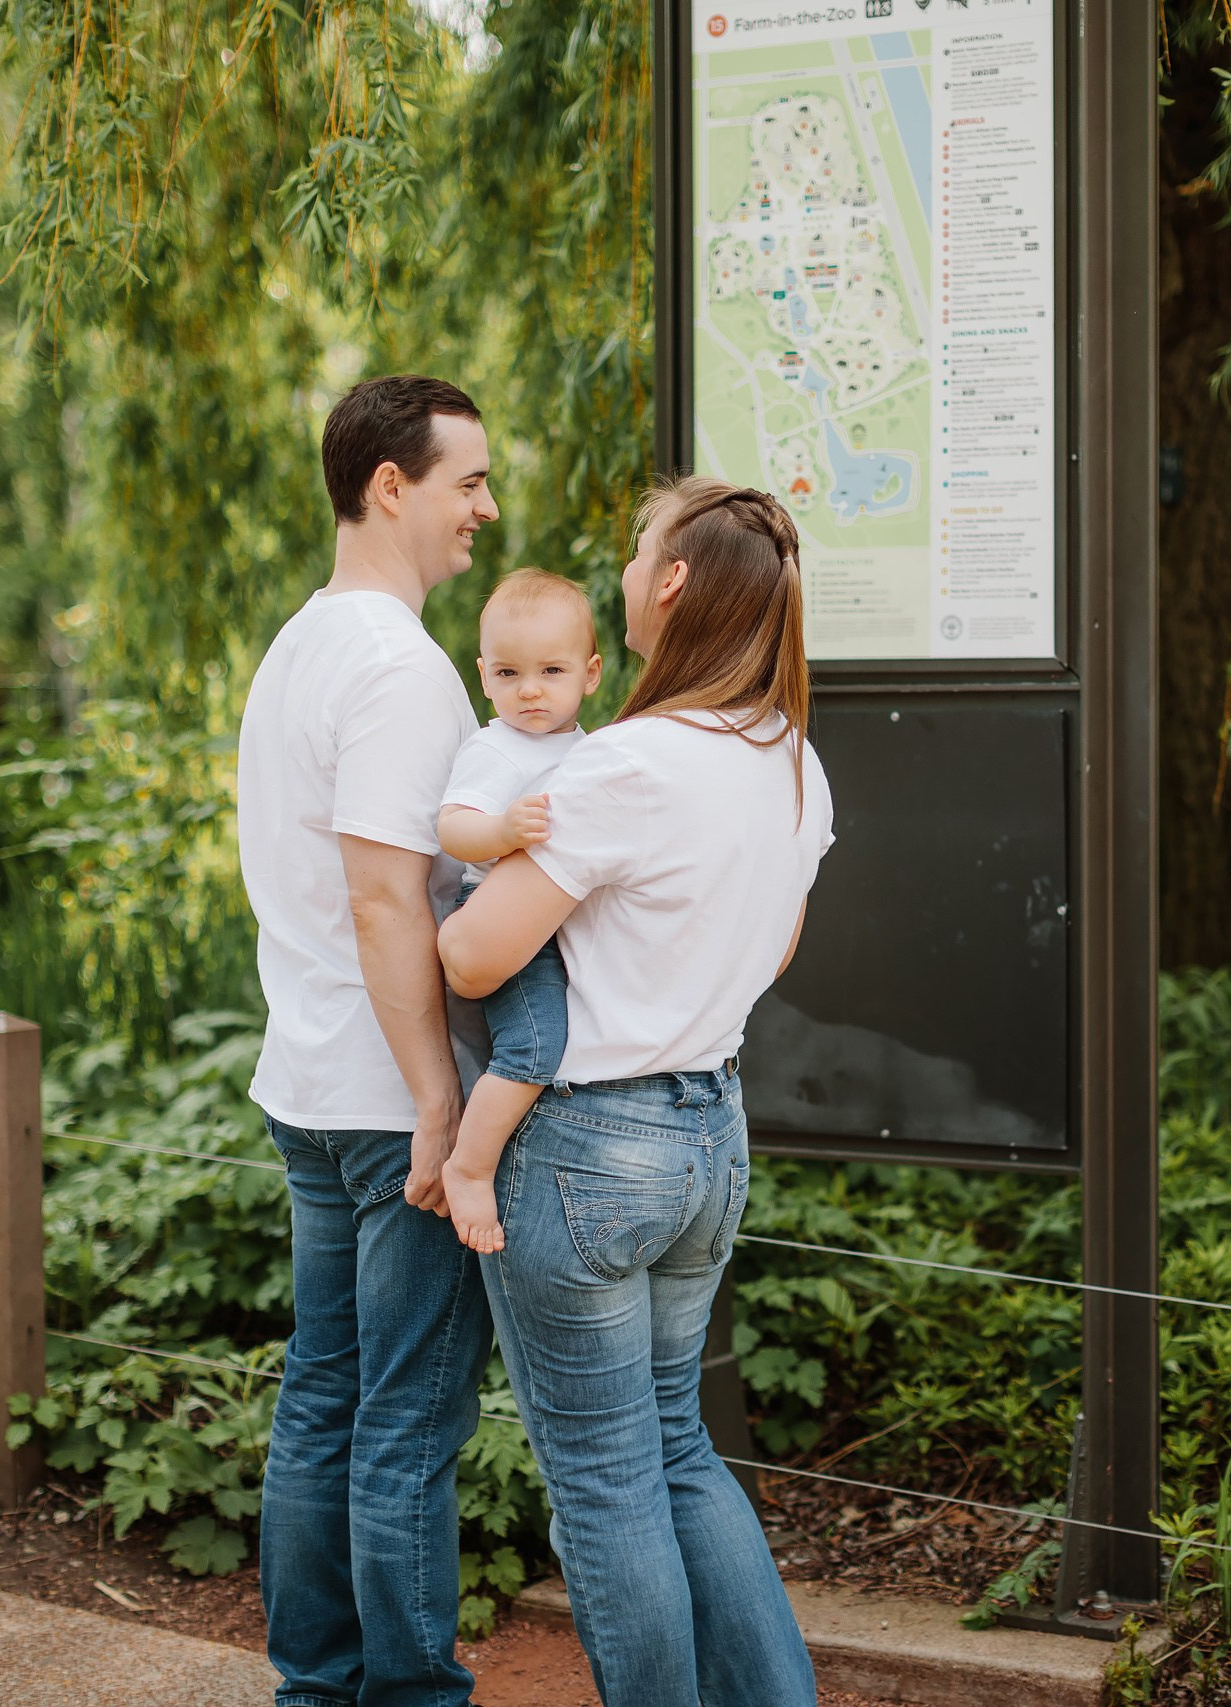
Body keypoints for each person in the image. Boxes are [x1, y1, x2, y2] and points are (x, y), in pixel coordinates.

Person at [438, 476, 834, 1706]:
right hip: (708, 1137)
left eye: (636, 548)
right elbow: (769, 955)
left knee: (607, 1481)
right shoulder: (793, 763)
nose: (623, 565)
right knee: (676, 1449)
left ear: (669, 583)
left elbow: (473, 956)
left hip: (584, 1149)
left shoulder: (628, 764)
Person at [235, 373, 499, 1707]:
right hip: (393, 1099)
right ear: (391, 484)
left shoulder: (299, 642)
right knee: (407, 1413)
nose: (485, 510)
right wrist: (441, 1102)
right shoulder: (400, 666)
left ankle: (316, 1685)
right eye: (468, 480)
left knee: (326, 1396)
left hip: (310, 1079)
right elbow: (388, 895)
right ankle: (405, 1694)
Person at [435, 568, 604, 1254]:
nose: (529, 689)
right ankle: (470, 1167)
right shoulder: (495, 748)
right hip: (505, 921)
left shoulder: (584, 745)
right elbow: (452, 828)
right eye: (508, 672)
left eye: (551, 670)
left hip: (557, 922)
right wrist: (502, 830)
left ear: (590, 673)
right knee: (534, 1044)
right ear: (483, 675)